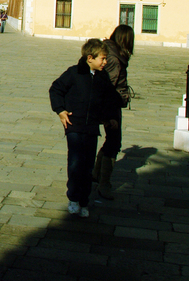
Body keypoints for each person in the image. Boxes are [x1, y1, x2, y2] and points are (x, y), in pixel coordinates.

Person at [48, 38, 119, 218]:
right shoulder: (74, 73)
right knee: (75, 162)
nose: (105, 62)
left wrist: (109, 118)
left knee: (88, 165)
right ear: (90, 58)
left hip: (92, 128)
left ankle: (84, 200)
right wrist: (60, 110)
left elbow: (108, 99)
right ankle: (73, 197)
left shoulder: (103, 77)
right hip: (74, 125)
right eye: (102, 58)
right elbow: (56, 89)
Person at [93, 24, 134, 200]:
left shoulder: (111, 52)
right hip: (110, 105)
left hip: (112, 104)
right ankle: (104, 184)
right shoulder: (115, 59)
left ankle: (96, 174)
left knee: (111, 141)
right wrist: (107, 112)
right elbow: (108, 85)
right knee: (114, 143)